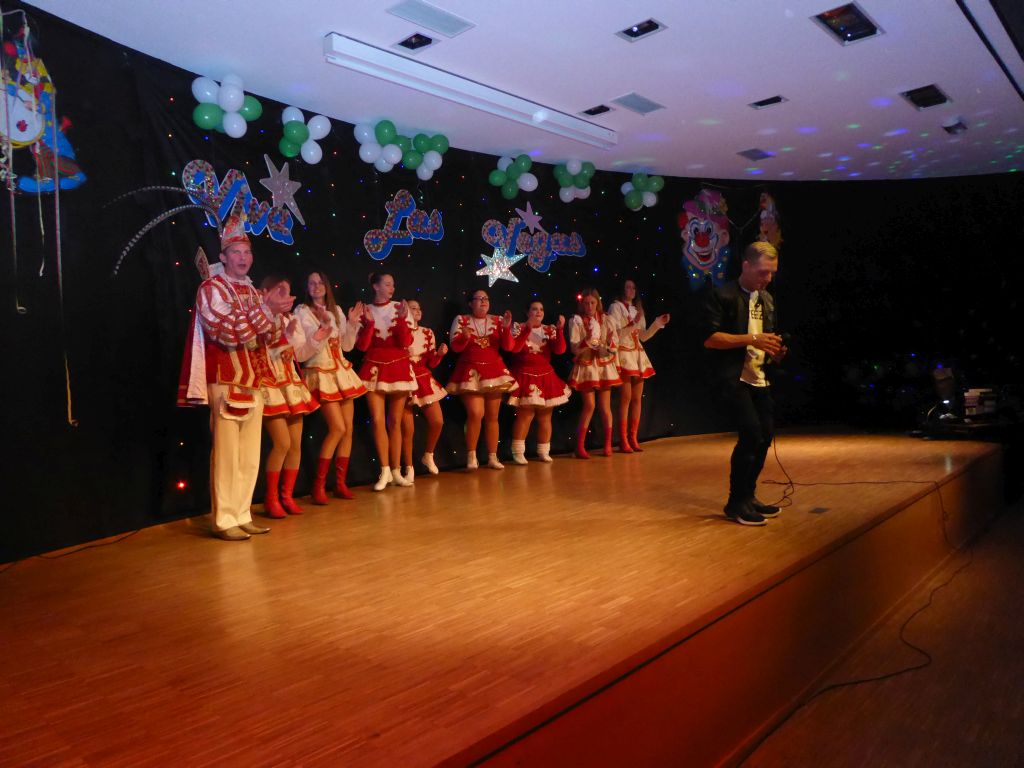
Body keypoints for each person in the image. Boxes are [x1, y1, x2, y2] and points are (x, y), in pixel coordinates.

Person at [177, 216, 294, 541]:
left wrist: (276, 316)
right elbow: (226, 332)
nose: (243, 257)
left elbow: (267, 338)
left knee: (249, 455)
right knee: (228, 455)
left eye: (247, 252)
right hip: (227, 379)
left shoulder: (253, 291)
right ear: (223, 256)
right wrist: (266, 311)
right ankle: (224, 519)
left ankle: (242, 513)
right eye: (237, 252)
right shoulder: (211, 289)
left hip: (254, 381)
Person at [701, 241, 788, 526]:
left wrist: (775, 352)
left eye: (772, 272)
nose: (768, 278)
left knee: (765, 434)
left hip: (759, 376)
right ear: (746, 265)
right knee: (751, 433)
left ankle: (749, 496)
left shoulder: (767, 300)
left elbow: (766, 338)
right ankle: (736, 502)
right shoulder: (722, 295)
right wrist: (753, 339)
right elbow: (711, 339)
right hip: (733, 377)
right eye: (763, 272)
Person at [295, 270, 367, 502]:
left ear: (327, 286)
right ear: (307, 288)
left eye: (320, 282)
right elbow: (303, 349)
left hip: (340, 371)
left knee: (348, 429)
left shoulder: (336, 310)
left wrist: (353, 324)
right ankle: (318, 485)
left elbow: (346, 346)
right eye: (311, 283)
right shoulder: (302, 312)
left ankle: (340, 483)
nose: (316, 286)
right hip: (320, 370)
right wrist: (323, 328)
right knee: (337, 428)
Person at [257, 276, 321, 518]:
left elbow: (300, 354)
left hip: (291, 383)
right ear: (266, 292)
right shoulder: (260, 317)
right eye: (280, 291)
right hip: (271, 382)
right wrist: (281, 339)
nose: (285, 297)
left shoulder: (289, 319)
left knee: (295, 445)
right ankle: (271, 498)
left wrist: (315, 339)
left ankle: (287, 496)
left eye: (288, 292)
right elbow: (259, 350)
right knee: (282, 443)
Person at [355, 273, 417, 491]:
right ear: (376, 286)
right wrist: (369, 324)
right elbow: (362, 346)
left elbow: (406, 341)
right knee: (377, 419)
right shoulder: (366, 310)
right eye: (388, 284)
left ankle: (396, 470)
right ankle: (384, 470)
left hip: (398, 366)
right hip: (373, 367)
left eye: (393, 284)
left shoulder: (400, 308)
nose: (392, 288)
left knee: (395, 421)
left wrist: (401, 320)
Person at [447, 290, 517, 469]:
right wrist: (464, 338)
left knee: (493, 416)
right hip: (470, 371)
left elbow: (509, 347)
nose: (483, 301)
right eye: (479, 299)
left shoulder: (498, 320)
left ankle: (493, 457)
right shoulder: (462, 320)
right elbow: (455, 347)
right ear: (471, 303)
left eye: (486, 298)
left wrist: (506, 329)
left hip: (494, 370)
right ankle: (471, 456)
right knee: (476, 413)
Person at [608, 280, 670, 453]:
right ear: (621, 289)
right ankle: (623, 440)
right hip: (624, 353)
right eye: (628, 287)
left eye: (634, 287)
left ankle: (633, 437)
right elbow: (615, 335)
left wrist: (657, 324)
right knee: (626, 398)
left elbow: (643, 336)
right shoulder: (615, 308)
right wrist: (631, 323)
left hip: (637, 354)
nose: (631, 290)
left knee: (637, 398)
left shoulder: (637, 310)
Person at [504, 300, 570, 464]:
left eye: (541, 309)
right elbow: (515, 349)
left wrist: (560, 330)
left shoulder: (548, 329)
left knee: (545, 417)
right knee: (525, 416)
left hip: (546, 376)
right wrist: (528, 328)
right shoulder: (518, 327)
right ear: (527, 313)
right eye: (534, 309)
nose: (539, 312)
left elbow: (560, 350)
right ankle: (518, 451)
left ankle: (543, 451)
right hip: (525, 374)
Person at [568, 288, 621, 458]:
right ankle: (579, 446)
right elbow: (574, 348)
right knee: (589, 405)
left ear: (597, 302)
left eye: (592, 302)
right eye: (586, 303)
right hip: (587, 365)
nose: (589, 306)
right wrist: (587, 340)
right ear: (582, 304)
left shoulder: (606, 319)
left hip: (603, 364)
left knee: (605, 407)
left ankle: (608, 445)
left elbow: (614, 344)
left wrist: (608, 344)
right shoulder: (576, 321)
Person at [399, 299, 448, 482]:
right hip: (404, 379)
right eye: (413, 308)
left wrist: (439, 355)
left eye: (419, 308)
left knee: (437, 421)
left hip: (424, 379)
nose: (417, 311)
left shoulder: (427, 332)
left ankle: (428, 455)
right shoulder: (399, 331)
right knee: (407, 429)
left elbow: (431, 363)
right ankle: (408, 467)